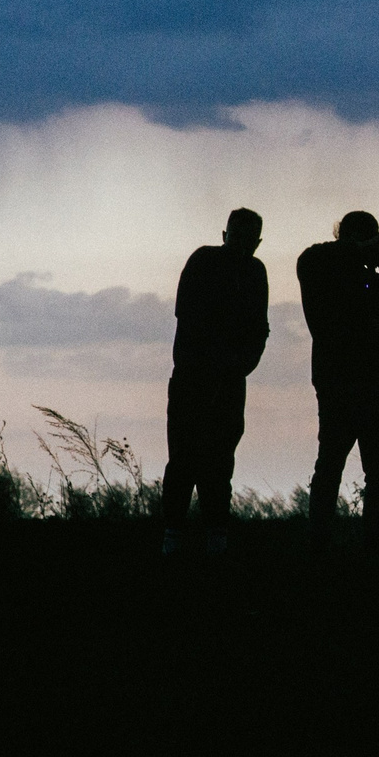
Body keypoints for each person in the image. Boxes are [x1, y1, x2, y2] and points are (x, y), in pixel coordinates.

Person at [298, 211, 379, 552]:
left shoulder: (375, 286)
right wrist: (367, 251)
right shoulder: (318, 268)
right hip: (340, 386)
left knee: (374, 472)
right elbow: (327, 256)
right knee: (332, 467)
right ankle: (323, 543)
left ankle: (370, 543)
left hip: (372, 386)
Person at [162, 208, 272, 555]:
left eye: (246, 239)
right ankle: (177, 536)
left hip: (223, 380)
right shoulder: (209, 262)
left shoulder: (252, 271)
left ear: (256, 242)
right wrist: (235, 363)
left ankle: (210, 536)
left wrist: (242, 366)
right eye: (236, 237)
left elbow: (259, 328)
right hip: (195, 378)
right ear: (225, 235)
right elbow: (190, 317)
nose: (240, 244)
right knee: (185, 461)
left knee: (218, 462)